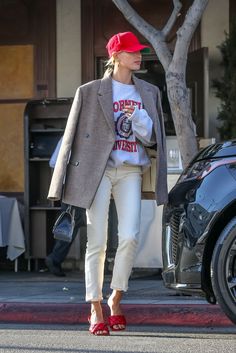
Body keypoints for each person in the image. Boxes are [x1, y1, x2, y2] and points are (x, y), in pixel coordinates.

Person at [48, 31, 168, 335]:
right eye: (130, 51)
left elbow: (153, 138)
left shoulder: (148, 92)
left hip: (130, 170)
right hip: (96, 172)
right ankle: (95, 306)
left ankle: (116, 297)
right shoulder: (89, 92)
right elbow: (71, 135)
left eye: (139, 51)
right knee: (97, 241)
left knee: (129, 236)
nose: (138, 55)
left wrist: (137, 116)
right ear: (115, 57)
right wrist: (59, 181)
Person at [45, 138, 86, 276]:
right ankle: (55, 258)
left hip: (69, 186)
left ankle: (55, 258)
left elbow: (53, 163)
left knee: (70, 223)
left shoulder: (67, 135)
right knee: (72, 224)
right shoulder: (71, 136)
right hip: (76, 186)